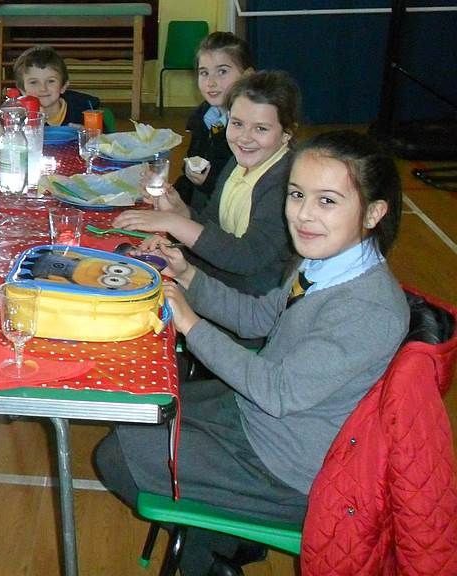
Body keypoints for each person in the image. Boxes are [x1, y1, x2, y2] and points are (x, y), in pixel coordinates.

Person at [94, 130, 410, 576]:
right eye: (297, 195)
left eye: (327, 201)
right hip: (258, 418)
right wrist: (187, 275)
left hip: (285, 468)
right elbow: (257, 318)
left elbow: (277, 392)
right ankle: (222, 540)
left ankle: (214, 554)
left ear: (374, 212)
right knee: (140, 410)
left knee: (116, 456)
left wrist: (191, 324)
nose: (303, 214)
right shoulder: (323, 262)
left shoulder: (368, 308)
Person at [114, 70, 301, 298]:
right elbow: (215, 231)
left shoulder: (287, 184)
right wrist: (181, 212)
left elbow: (246, 258)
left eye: (261, 128)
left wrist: (173, 223)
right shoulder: (238, 163)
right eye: (237, 123)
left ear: (287, 133)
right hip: (217, 281)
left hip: (247, 301)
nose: (244, 137)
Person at [174, 32, 254, 215]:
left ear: (248, 76)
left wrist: (207, 182)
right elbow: (191, 172)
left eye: (222, 71)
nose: (211, 82)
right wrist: (170, 194)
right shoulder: (203, 118)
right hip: (197, 211)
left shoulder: (249, 131)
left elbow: (243, 194)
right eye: (204, 73)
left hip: (224, 221)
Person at [13, 45, 103, 128]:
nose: (43, 88)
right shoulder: (16, 118)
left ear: (63, 86)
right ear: (22, 90)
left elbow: (103, 138)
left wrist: (87, 134)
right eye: (34, 82)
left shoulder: (85, 112)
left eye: (51, 81)